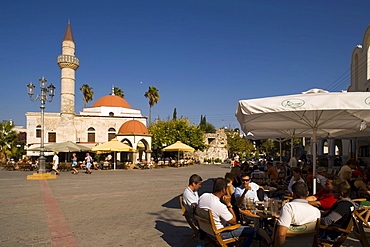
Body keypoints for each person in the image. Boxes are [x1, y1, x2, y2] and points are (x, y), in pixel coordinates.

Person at [198, 178, 255, 247]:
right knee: (250, 230)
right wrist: (228, 204)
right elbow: (234, 222)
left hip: (207, 232)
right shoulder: (219, 206)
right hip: (220, 233)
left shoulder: (203, 196)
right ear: (223, 190)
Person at [275, 181, 321, 247]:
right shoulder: (316, 211)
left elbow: (281, 235)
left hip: (288, 244)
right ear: (307, 193)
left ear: (293, 194)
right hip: (307, 245)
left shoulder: (289, 207)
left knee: (262, 233)